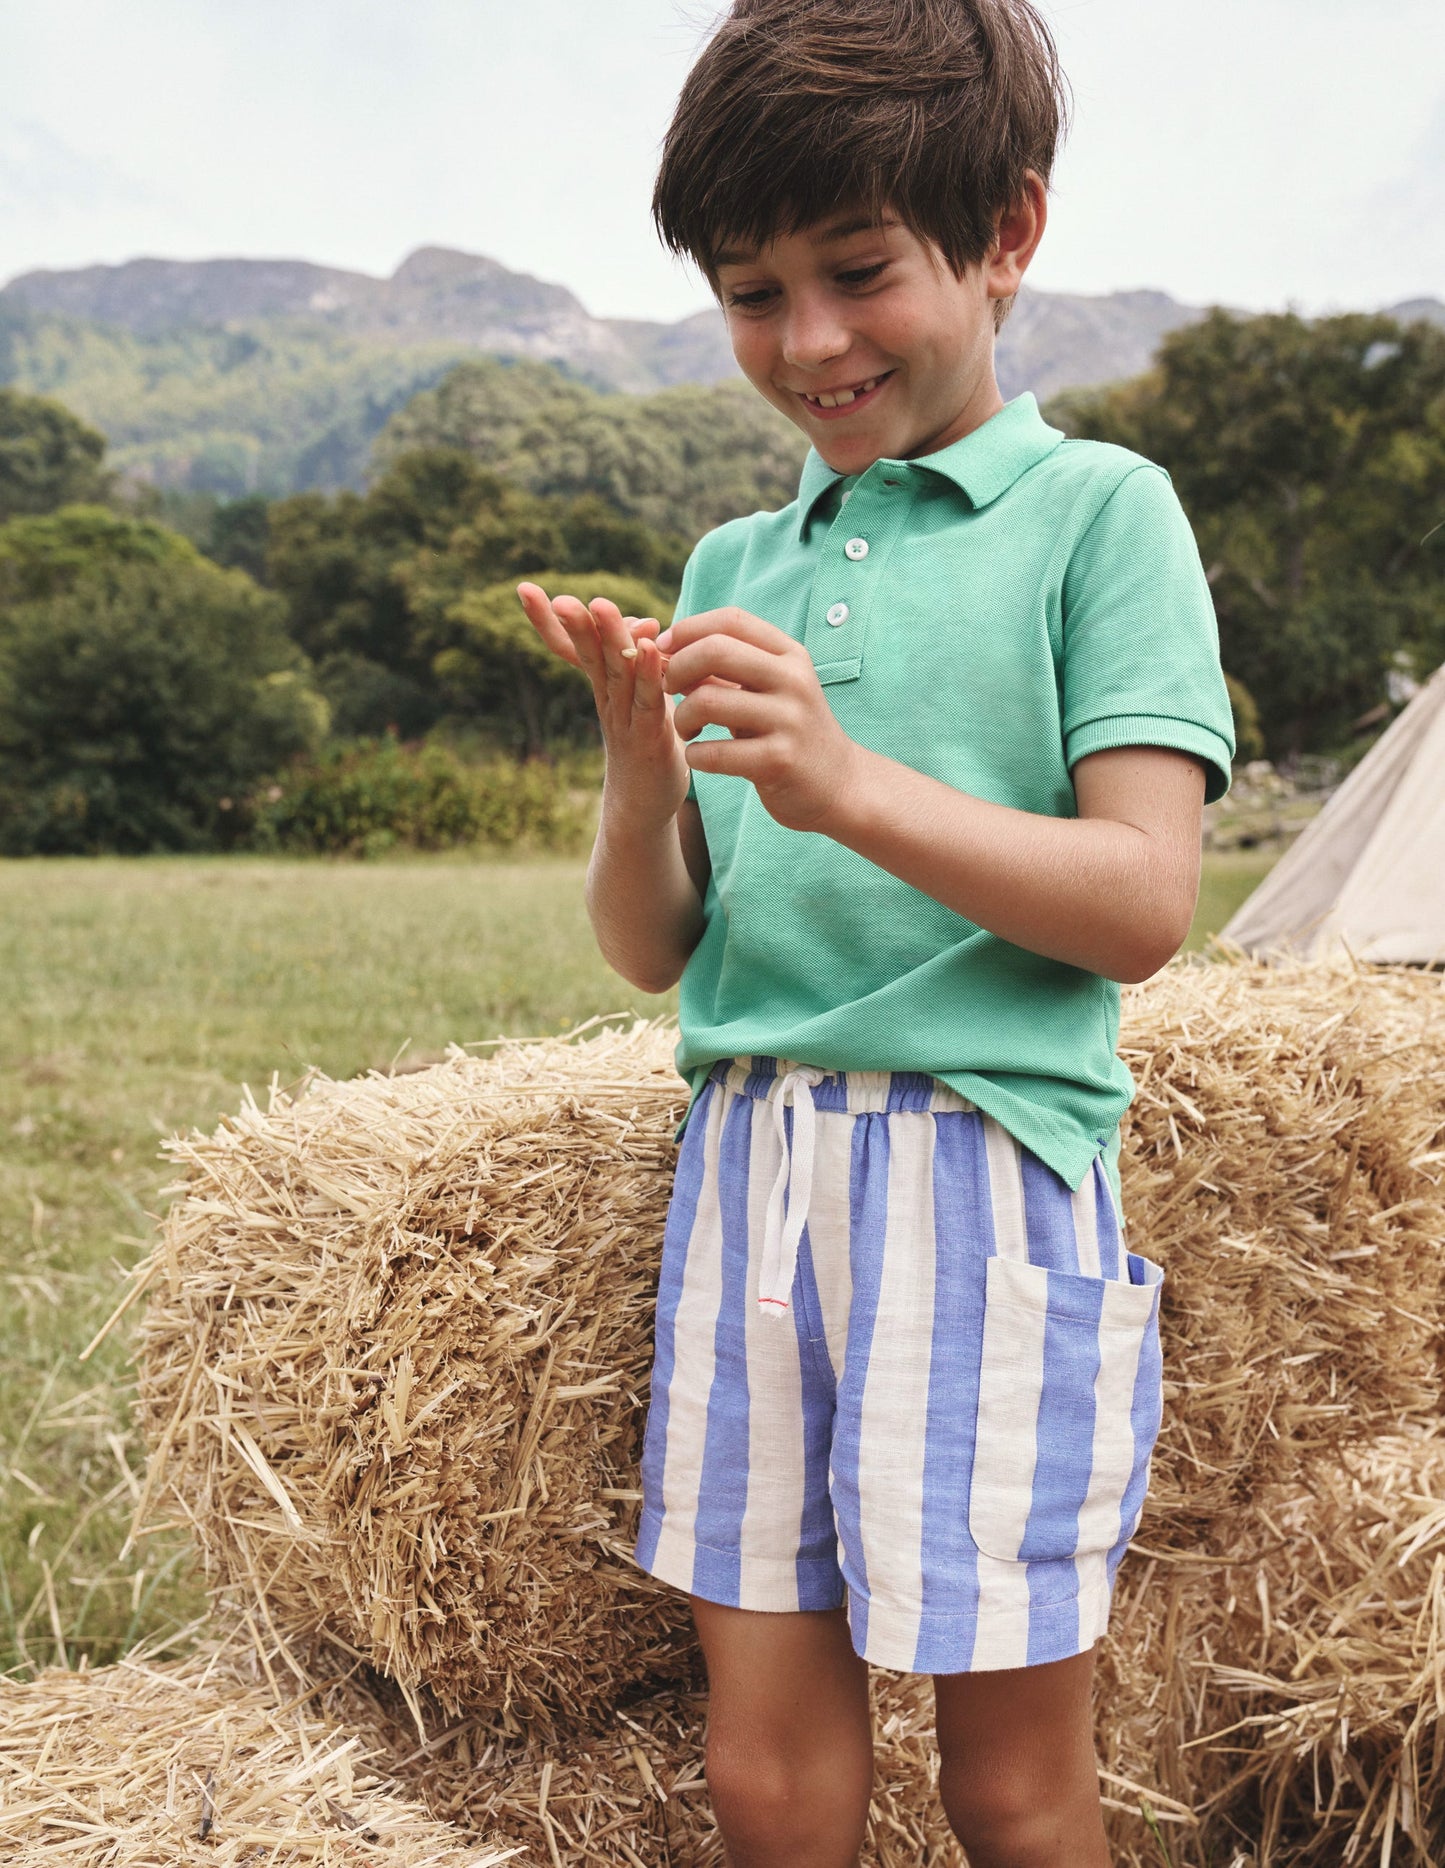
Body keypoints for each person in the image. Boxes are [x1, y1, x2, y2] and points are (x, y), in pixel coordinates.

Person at [517, 2, 1234, 1861]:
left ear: (1006, 234)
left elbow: (1144, 902)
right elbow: (656, 951)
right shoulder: (729, 570)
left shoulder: (1101, 516)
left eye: (857, 272)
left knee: (1009, 1784)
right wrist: (638, 773)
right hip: (748, 1177)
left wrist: (846, 786)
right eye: (753, 294)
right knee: (760, 1769)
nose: (808, 341)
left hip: (984, 1183)